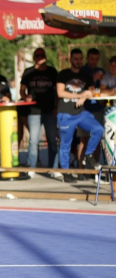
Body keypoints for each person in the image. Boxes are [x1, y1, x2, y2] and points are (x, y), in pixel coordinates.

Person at [56, 48, 103, 183]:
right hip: (66, 113)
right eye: (75, 59)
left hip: (81, 113)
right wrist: (81, 95)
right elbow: (60, 93)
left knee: (98, 129)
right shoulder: (63, 74)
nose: (78, 61)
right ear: (70, 60)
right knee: (66, 144)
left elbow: (92, 90)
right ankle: (66, 173)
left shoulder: (85, 75)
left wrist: (88, 93)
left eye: (80, 59)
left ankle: (88, 154)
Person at [20, 48, 59, 178]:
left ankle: (54, 168)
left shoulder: (52, 71)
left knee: (52, 140)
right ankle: (31, 167)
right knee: (33, 140)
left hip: (49, 110)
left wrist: (56, 107)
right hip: (34, 110)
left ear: (46, 57)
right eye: (37, 55)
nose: (40, 57)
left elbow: (57, 92)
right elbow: (22, 90)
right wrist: (25, 97)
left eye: (42, 55)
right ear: (34, 57)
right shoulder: (28, 72)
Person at [77, 48, 105, 180]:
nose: (94, 61)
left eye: (96, 59)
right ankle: (81, 171)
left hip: (98, 109)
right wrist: (94, 80)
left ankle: (95, 171)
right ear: (87, 58)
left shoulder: (101, 71)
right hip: (85, 110)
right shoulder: (82, 72)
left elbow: (103, 89)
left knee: (97, 140)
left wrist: (102, 102)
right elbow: (83, 90)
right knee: (83, 140)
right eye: (91, 59)